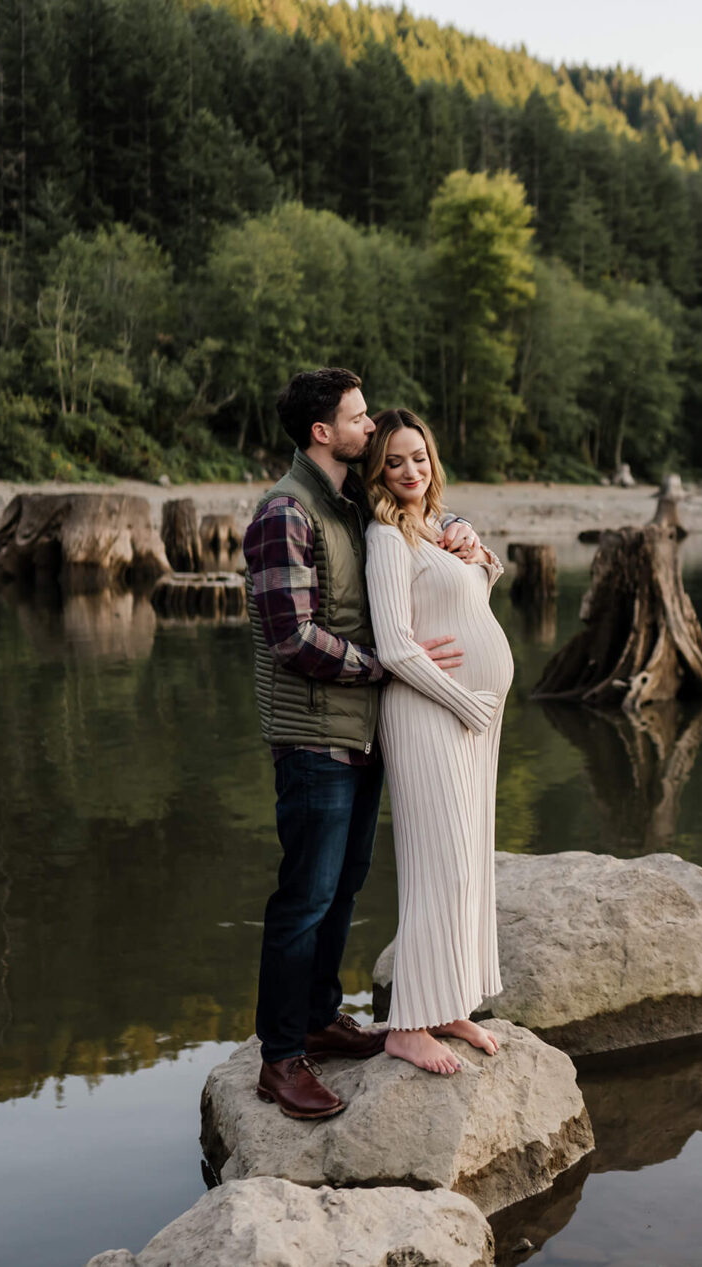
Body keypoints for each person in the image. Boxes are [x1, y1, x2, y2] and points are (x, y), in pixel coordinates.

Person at [242, 368, 485, 1120]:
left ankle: (318, 1017)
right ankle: (279, 1059)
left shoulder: (347, 505)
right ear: (324, 432)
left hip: (363, 730)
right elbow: (293, 638)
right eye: (357, 415)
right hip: (313, 731)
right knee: (305, 896)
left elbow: (411, 551)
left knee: (343, 886)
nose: (368, 421)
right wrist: (385, 666)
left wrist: (466, 540)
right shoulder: (284, 512)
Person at [363, 408, 512, 1074]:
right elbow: (395, 645)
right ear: (376, 471)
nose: (410, 471)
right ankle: (407, 1024)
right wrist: (465, 703)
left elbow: (474, 595)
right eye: (394, 461)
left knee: (469, 860)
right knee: (439, 866)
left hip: (470, 716)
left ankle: (450, 1003)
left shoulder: (438, 528)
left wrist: (481, 554)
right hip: (428, 713)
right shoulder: (386, 538)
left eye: (418, 456)